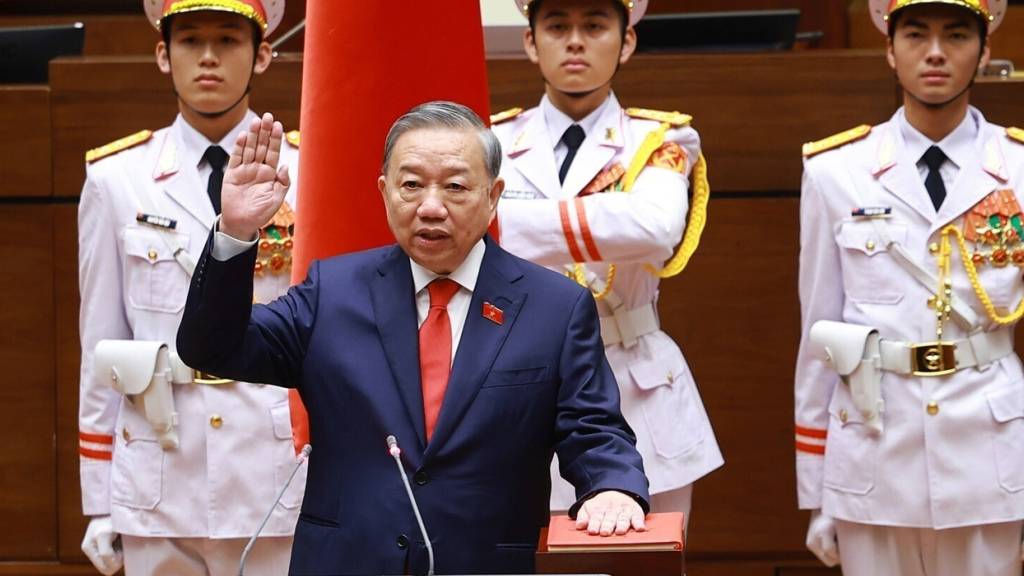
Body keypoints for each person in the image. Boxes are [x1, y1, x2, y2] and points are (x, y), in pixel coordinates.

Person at [175, 101, 650, 575]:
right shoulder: (333, 292)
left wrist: (612, 487)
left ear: (493, 194)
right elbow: (213, 349)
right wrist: (235, 232)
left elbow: (593, 428)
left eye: (456, 186)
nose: (430, 206)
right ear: (384, 192)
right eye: (411, 185)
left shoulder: (555, 308)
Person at [795, 1, 1024, 574]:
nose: (936, 52)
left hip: (991, 455)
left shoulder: (1018, 167)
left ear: (985, 50)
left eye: (956, 35)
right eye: (916, 34)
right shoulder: (836, 170)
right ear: (889, 50)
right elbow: (820, 338)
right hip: (873, 453)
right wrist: (819, 492)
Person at [77, 1, 303, 574]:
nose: (208, 57)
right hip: (158, 463)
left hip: (272, 467)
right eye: (189, 40)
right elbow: (100, 346)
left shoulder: (305, 169)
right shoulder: (115, 180)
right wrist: (99, 501)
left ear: (263, 55)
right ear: (162, 54)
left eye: (228, 40)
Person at [489, 0, 723, 521]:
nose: (576, 40)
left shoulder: (661, 138)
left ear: (627, 42)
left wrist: (509, 220)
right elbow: (469, 236)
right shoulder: (490, 142)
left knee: (645, 561)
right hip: (519, 377)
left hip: (635, 377)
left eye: (594, 26)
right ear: (530, 41)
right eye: (556, 26)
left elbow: (655, 228)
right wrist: (612, 218)